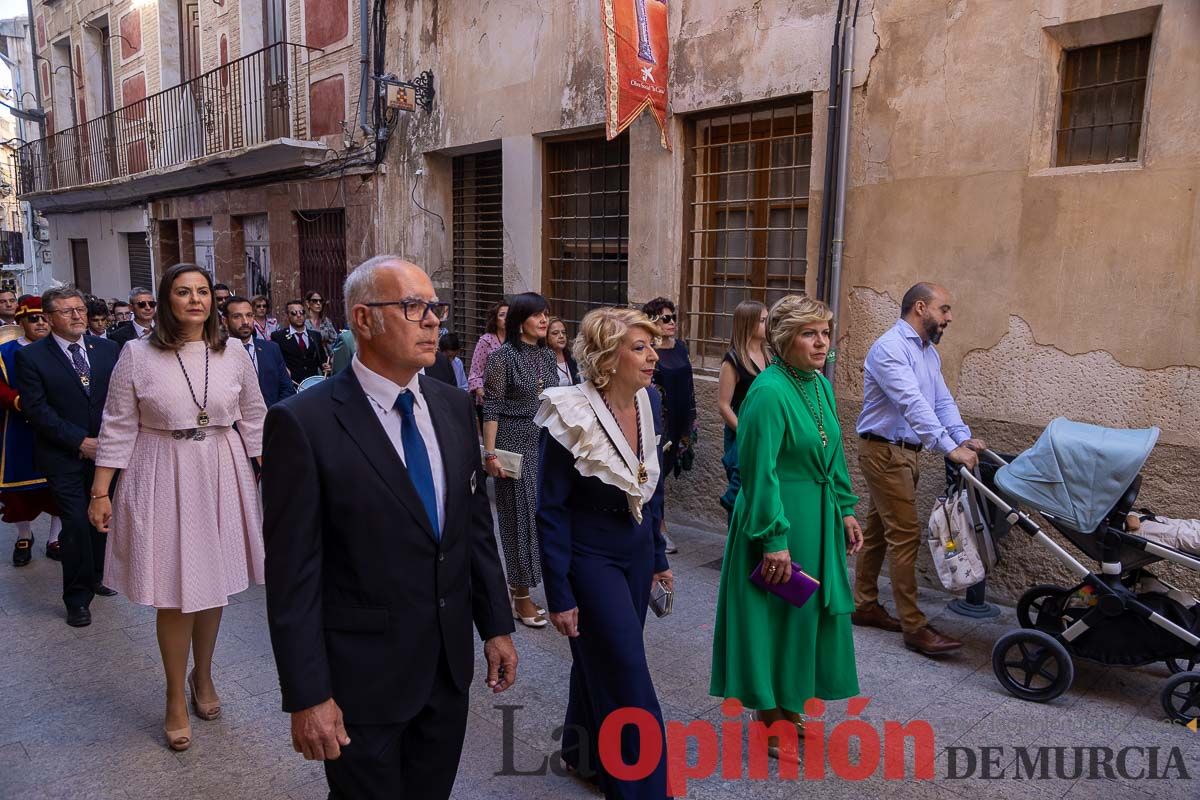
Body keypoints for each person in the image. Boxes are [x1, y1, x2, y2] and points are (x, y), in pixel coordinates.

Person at [262, 256, 517, 800]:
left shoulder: (452, 406)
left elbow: (473, 529)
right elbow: (293, 576)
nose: (433, 320)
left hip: (446, 671)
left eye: (435, 307)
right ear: (364, 319)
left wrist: (496, 625)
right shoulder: (303, 423)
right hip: (362, 679)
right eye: (413, 307)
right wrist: (308, 694)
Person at [86, 264, 267, 752]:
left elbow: (255, 417)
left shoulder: (233, 353)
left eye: (203, 291)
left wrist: (275, 475)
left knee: (214, 585)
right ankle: (173, 696)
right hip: (161, 469)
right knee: (174, 591)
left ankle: (202, 675)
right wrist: (101, 492)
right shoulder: (136, 354)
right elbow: (117, 424)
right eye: (183, 292)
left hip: (222, 468)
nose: (195, 300)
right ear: (167, 300)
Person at [710, 295, 863, 750]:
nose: (822, 343)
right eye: (808, 334)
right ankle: (769, 715)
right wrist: (773, 538)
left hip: (817, 515)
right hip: (776, 518)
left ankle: (792, 704)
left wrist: (845, 507)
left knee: (804, 614)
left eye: (825, 333)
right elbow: (760, 473)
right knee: (773, 616)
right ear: (783, 338)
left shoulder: (819, 385)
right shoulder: (768, 392)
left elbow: (832, 452)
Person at [536, 306, 671, 798]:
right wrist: (559, 593)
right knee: (629, 673)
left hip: (635, 552)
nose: (653, 355)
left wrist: (658, 558)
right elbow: (550, 509)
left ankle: (583, 755)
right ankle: (644, 790)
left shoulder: (648, 399)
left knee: (604, 657)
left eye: (652, 345)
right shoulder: (570, 412)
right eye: (640, 347)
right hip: (589, 558)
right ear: (607, 358)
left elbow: (650, 485)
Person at [853, 282, 984, 657]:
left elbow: (941, 402)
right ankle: (914, 626)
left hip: (904, 453)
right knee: (905, 536)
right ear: (920, 307)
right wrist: (948, 447)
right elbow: (912, 403)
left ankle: (864, 604)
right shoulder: (890, 348)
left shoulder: (928, 353)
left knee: (878, 531)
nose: (949, 317)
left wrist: (962, 437)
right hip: (885, 452)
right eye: (944, 309)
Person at [15, 287, 121, 627]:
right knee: (74, 523)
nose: (77, 316)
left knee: (100, 516)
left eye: (80, 309)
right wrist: (79, 441)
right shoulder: (32, 357)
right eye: (67, 311)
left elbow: (119, 399)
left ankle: (99, 574)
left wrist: (110, 439)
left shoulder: (107, 349)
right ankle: (77, 597)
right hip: (62, 455)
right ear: (48, 318)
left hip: (106, 452)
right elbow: (37, 410)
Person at [482, 292, 558, 627]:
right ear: (519, 320)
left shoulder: (548, 356)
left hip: (544, 443)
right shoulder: (502, 357)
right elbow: (492, 407)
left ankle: (534, 587)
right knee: (517, 520)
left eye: (546, 314)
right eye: (537, 314)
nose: (544, 320)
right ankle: (521, 597)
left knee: (542, 518)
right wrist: (489, 453)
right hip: (512, 443)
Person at [1, 297, 62, 566]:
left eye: (44, 318)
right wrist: (17, 401)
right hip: (18, 427)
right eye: (33, 318)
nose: (40, 323)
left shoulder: (61, 348)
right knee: (18, 490)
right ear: (21, 322)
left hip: (56, 426)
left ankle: (55, 538)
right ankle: (24, 536)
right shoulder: (5, 352)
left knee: (59, 485)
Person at [643, 297, 694, 555]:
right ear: (653, 321)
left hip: (680, 418)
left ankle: (652, 522)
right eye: (665, 318)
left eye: (673, 317)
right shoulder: (649, 351)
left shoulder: (681, 347)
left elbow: (689, 384)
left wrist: (691, 421)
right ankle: (659, 528)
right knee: (657, 475)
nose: (672, 322)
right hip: (659, 421)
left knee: (667, 470)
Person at [717, 301, 769, 520]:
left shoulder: (769, 356)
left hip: (765, 431)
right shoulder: (733, 360)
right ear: (748, 323)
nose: (768, 324)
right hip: (742, 435)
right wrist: (745, 432)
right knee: (740, 491)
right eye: (763, 320)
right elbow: (723, 405)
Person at [224, 296, 295, 407]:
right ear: (225, 321)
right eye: (237, 316)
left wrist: (275, 413)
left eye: (249, 315)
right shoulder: (219, 353)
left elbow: (287, 388)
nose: (245, 322)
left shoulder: (271, 349)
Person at [468, 300, 508, 424]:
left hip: (512, 403)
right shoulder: (486, 341)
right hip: (489, 401)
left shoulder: (516, 340)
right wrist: (485, 396)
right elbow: (475, 374)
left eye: (509, 315)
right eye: (502, 315)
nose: (506, 318)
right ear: (495, 319)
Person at [272, 300, 327, 383]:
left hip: (313, 383)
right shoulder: (278, 337)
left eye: (302, 312)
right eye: (294, 313)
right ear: (287, 315)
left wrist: (325, 365)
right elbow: (276, 362)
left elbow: (322, 360)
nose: (299, 315)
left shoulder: (315, 335)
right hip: (292, 384)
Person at [547, 317, 580, 386]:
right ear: (546, 337)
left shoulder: (573, 356)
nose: (561, 336)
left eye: (563, 332)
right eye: (555, 333)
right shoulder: (542, 360)